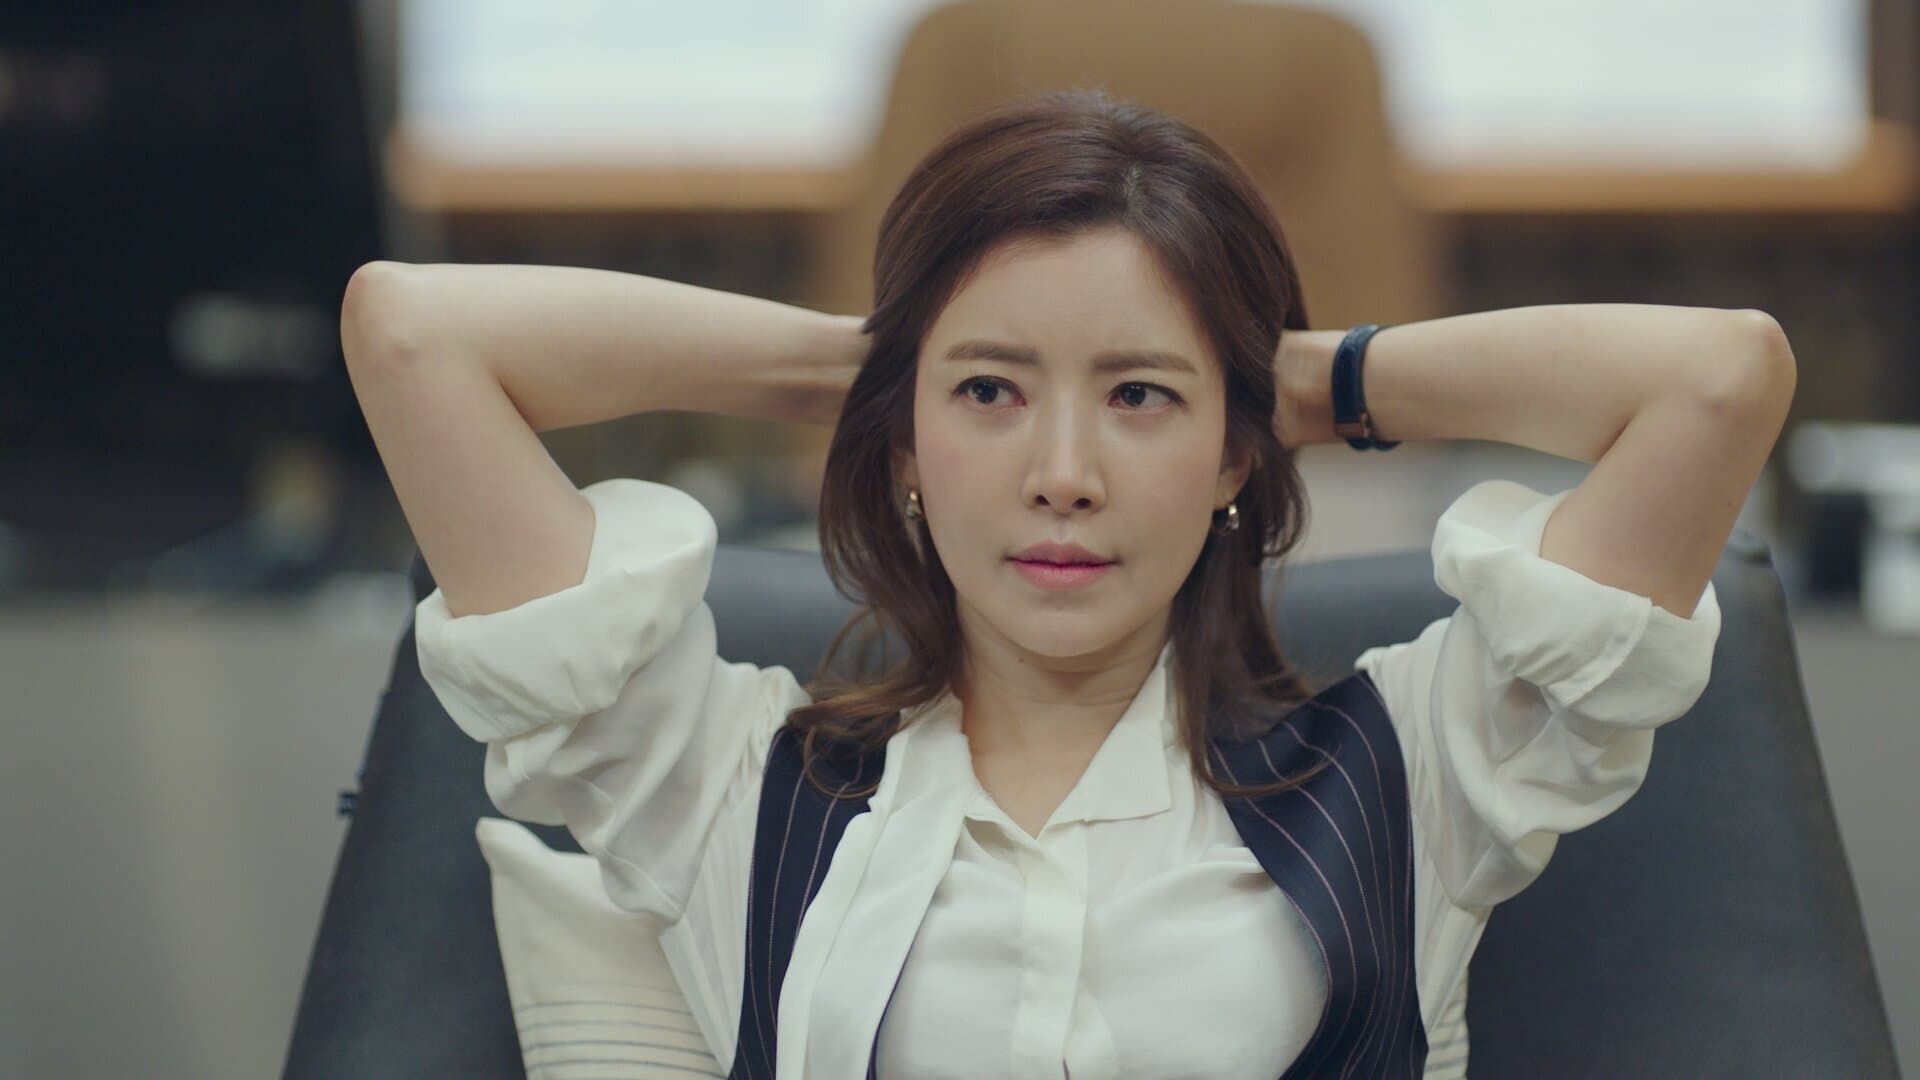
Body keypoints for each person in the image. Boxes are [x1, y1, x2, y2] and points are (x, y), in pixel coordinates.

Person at [341, 89, 1791, 1079]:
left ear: (1235, 453)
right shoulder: (722, 784)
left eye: (1140, 400)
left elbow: (1719, 378)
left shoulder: (1418, 764)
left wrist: (1296, 377)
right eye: (990, 395)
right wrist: (880, 367)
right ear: (905, 445)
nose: (1063, 473)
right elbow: (411, 335)